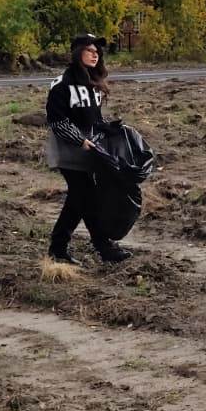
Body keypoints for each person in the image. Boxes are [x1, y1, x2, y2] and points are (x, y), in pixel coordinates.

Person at [45, 33, 133, 266]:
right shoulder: (62, 84)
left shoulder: (93, 84)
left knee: (78, 200)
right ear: (77, 53)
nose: (95, 54)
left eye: (97, 52)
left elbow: (94, 119)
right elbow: (56, 120)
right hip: (68, 152)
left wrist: (109, 130)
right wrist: (79, 140)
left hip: (90, 151)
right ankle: (104, 248)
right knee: (87, 197)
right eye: (90, 50)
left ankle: (58, 248)